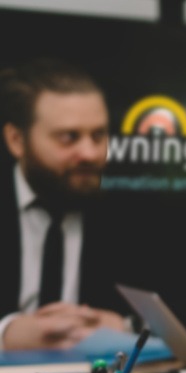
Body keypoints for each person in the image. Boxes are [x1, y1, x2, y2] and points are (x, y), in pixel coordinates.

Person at [0, 58, 127, 350]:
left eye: (98, 135)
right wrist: (5, 334)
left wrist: (122, 324)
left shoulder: (129, 206)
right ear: (16, 140)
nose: (91, 153)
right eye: (69, 138)